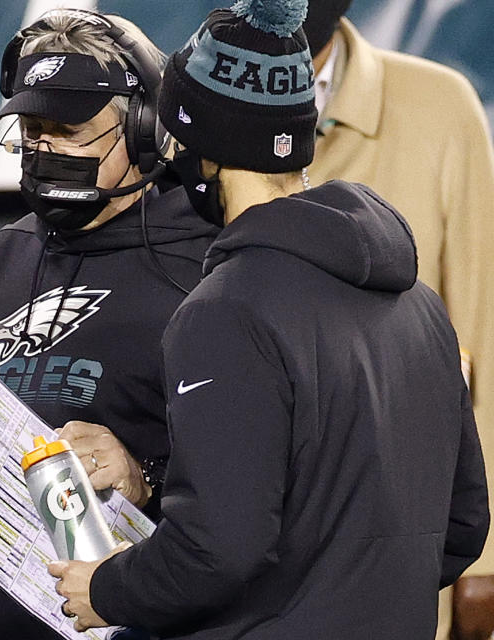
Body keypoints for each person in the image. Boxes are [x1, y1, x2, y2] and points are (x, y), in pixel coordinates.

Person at [49, 0, 490, 637]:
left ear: (204, 147)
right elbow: (461, 525)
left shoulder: (225, 312)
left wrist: (110, 589)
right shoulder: (421, 305)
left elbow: (220, 548)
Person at [0, 8, 219, 639]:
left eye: (69, 129)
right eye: (33, 127)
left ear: (145, 130)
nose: (44, 147)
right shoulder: (6, 251)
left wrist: (145, 477)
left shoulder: (208, 265)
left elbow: (256, 487)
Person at [301, 3, 494, 637]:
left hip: (401, 541)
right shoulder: (181, 103)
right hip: (242, 535)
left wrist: (486, 558)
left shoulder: (442, 107)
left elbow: (483, 334)